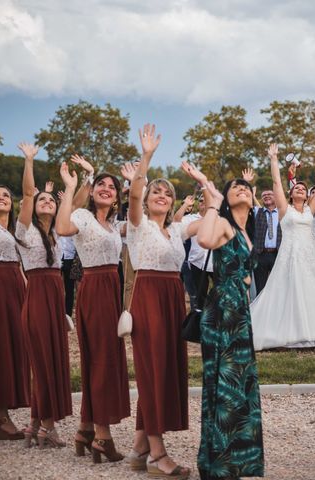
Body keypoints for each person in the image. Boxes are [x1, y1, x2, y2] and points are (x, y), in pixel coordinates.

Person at [126, 124, 204, 479]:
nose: (161, 194)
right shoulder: (137, 224)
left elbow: (209, 217)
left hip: (174, 297)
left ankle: (140, 446)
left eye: (166, 192)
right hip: (148, 297)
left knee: (166, 369)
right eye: (155, 190)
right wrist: (147, 156)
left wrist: (202, 181)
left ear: (173, 202)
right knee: (152, 370)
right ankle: (158, 454)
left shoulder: (176, 228)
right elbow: (133, 195)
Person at [180, 161, 265, 480]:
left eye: (245, 186)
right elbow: (204, 241)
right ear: (227, 200)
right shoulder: (225, 226)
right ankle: (216, 464)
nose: (241, 188)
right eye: (234, 187)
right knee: (224, 385)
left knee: (241, 385)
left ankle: (237, 459)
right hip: (222, 312)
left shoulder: (249, 229)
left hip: (240, 312)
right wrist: (211, 199)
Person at [56, 158, 130, 463]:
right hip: (95, 288)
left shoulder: (113, 225)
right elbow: (62, 227)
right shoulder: (83, 217)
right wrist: (73, 186)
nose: (107, 188)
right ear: (92, 189)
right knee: (101, 360)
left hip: (112, 289)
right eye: (101, 183)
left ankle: (85, 430)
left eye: (112, 186)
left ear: (117, 196)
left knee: (105, 358)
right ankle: (102, 436)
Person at [250, 145, 315, 350]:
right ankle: (287, 333)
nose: (300, 188)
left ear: (307, 196)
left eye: (303, 188)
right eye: (296, 187)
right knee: (286, 292)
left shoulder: (311, 208)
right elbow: (276, 182)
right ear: (290, 194)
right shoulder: (283, 209)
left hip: (310, 257)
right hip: (289, 256)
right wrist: (274, 159)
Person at [15, 142, 72, 448]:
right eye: (43, 199)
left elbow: (74, 205)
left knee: (53, 359)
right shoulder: (24, 232)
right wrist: (28, 160)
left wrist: (76, 183)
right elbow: (26, 194)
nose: (47, 202)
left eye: (51, 199)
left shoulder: (57, 233)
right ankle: (47, 426)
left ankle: (35, 424)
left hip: (55, 297)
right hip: (36, 297)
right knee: (44, 362)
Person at [0, 185, 29, 441]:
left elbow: (19, 265)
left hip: (14, 288)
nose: (1, 197)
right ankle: (1, 417)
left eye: (6, 195)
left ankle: (2, 412)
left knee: (9, 348)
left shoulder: (12, 232)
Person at [252, 188, 282, 293]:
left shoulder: (282, 213)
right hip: (260, 254)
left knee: (278, 287)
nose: (266, 196)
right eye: (264, 195)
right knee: (260, 288)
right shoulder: (257, 212)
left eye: (269, 194)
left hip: (278, 254)